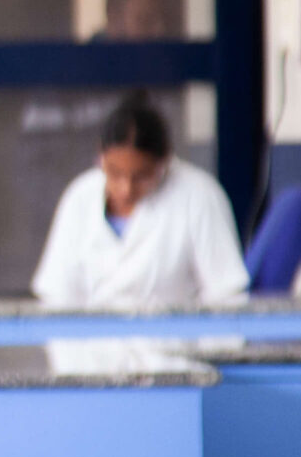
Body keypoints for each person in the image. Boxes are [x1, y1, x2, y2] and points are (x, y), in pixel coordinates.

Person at [31, 92, 248, 308]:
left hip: (171, 341)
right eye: (114, 173)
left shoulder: (199, 196)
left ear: (165, 159)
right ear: (101, 156)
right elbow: (57, 296)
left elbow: (226, 296)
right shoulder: (80, 196)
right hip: (93, 342)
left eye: (141, 176)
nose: (126, 189)